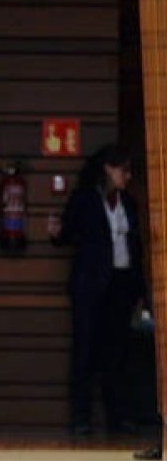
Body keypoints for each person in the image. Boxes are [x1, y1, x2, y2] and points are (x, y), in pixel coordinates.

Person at [49, 143, 147, 435]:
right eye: (123, 170)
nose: (127, 176)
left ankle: (119, 418)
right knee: (86, 351)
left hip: (121, 284)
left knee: (117, 354)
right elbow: (67, 233)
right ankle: (80, 418)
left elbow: (136, 248)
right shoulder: (85, 200)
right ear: (108, 169)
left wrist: (139, 291)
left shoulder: (128, 203)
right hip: (91, 286)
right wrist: (55, 233)